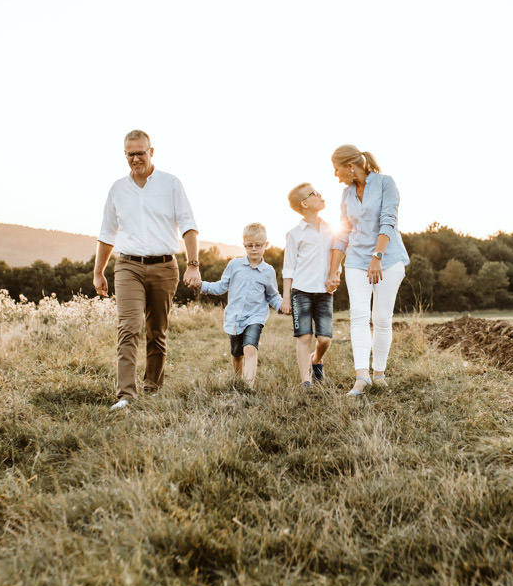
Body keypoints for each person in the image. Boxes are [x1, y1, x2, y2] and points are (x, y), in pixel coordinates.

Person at [93, 129, 202, 411]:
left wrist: (193, 265)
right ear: (125, 155)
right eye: (130, 154)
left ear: (151, 152)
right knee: (128, 328)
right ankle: (125, 395)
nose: (136, 158)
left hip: (165, 266)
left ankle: (152, 388)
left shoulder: (171, 184)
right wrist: (98, 272)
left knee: (157, 331)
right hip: (128, 265)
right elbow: (107, 234)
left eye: (141, 152)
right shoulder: (117, 189)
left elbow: (189, 226)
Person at [326, 144, 410, 396]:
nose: (335, 175)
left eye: (336, 169)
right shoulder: (346, 195)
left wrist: (377, 257)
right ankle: (361, 377)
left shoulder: (385, 183)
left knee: (382, 319)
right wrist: (334, 271)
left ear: (351, 167)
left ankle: (379, 374)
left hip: (388, 259)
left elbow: (388, 220)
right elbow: (341, 235)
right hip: (356, 260)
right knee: (359, 316)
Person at [198, 222, 284, 390]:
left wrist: (283, 306)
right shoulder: (234, 265)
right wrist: (202, 285)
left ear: (265, 245)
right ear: (244, 245)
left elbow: (273, 295)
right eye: (249, 245)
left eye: (258, 245)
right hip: (235, 318)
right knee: (237, 354)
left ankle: (248, 386)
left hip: (255, 317)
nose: (254, 249)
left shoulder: (268, 271)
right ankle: (238, 380)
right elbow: (221, 286)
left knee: (250, 347)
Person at [281, 182, 334, 389]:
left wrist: (335, 274)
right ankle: (306, 380)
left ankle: (317, 359)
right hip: (301, 291)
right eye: (315, 193)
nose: (321, 195)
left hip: (325, 292)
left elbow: (337, 256)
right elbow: (288, 268)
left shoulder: (332, 229)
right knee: (304, 336)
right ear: (304, 203)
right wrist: (286, 297)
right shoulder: (294, 233)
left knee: (324, 339)